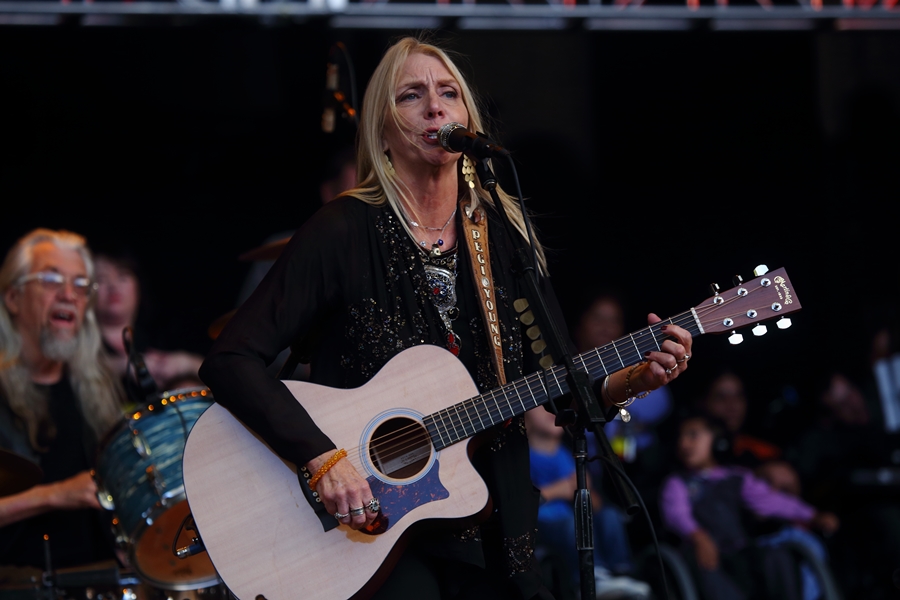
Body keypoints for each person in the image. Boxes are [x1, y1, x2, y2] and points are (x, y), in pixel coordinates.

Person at [199, 36, 694, 599]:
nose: (435, 107)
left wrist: (636, 377)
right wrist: (321, 458)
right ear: (383, 131)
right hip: (370, 529)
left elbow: (563, 385)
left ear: (467, 119)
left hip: (493, 518)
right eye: (412, 96)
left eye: (448, 94)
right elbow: (231, 359)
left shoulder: (503, 239)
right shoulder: (341, 231)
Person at [0, 229, 124, 571]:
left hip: (99, 581)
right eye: (52, 279)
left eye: (82, 285)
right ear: (13, 298)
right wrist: (55, 494)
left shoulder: (96, 389)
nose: (69, 294)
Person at [659, 411, 838, 600]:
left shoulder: (737, 477)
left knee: (777, 557)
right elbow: (677, 514)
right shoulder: (677, 483)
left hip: (740, 551)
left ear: (719, 441)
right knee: (703, 564)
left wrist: (812, 515)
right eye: (681, 437)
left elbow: (772, 501)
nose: (684, 444)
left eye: (693, 435)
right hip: (704, 553)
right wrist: (698, 536)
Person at [524, 406, 651, 599]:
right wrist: (562, 489)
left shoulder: (568, 455)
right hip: (544, 523)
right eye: (541, 408)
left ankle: (621, 571)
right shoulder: (525, 457)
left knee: (610, 516)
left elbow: (595, 504)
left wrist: (588, 493)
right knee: (573, 525)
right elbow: (523, 502)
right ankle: (594, 576)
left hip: (574, 516)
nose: (551, 412)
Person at [93, 251, 204, 401]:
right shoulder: (82, 342)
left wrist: (186, 363)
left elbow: (219, 373)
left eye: (123, 276)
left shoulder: (161, 333)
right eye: (101, 279)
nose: (114, 286)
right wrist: (123, 366)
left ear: (138, 285)